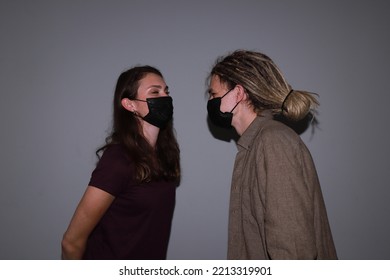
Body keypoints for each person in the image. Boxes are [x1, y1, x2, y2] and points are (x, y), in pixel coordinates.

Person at [206, 50, 337, 259]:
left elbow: (293, 248)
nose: (211, 101)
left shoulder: (273, 142)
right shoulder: (255, 145)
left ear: (238, 94)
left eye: (213, 94)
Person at [61, 66, 180, 260]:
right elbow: (71, 241)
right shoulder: (118, 160)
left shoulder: (165, 155)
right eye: (155, 92)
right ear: (130, 104)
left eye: (166, 91)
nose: (165, 97)